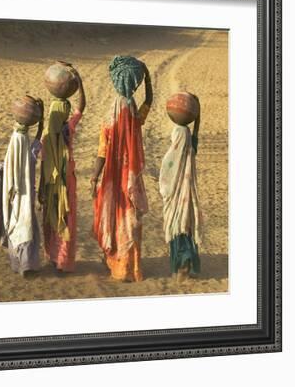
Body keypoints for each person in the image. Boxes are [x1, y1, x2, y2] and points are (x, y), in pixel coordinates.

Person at [91, 56, 152, 282]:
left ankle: (117, 265)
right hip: (131, 178)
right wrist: (148, 78)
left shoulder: (110, 116)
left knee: (114, 217)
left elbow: (102, 151)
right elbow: (149, 102)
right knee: (131, 220)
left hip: (112, 178)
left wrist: (94, 177)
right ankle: (132, 268)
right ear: (134, 83)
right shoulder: (135, 113)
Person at [39, 80, 86, 274]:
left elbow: (43, 165)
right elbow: (81, 106)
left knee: (51, 218)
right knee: (67, 219)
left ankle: (52, 256)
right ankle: (63, 261)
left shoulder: (46, 136)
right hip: (67, 183)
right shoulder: (69, 130)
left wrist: (41, 189)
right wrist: (80, 82)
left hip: (51, 184)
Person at [159, 94, 203, 282]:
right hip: (187, 196)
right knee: (187, 228)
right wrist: (197, 116)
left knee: (177, 228)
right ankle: (187, 264)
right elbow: (195, 135)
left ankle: (182, 266)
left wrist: (165, 191)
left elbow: (165, 178)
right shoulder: (191, 148)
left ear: (175, 137)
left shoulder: (172, 154)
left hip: (176, 199)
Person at [0, 98, 44, 277]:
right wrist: (41, 124)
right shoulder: (22, 139)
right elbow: (31, 159)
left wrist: (40, 125)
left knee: (17, 223)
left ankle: (18, 263)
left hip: (17, 191)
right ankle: (26, 265)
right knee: (25, 226)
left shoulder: (17, 136)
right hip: (23, 191)